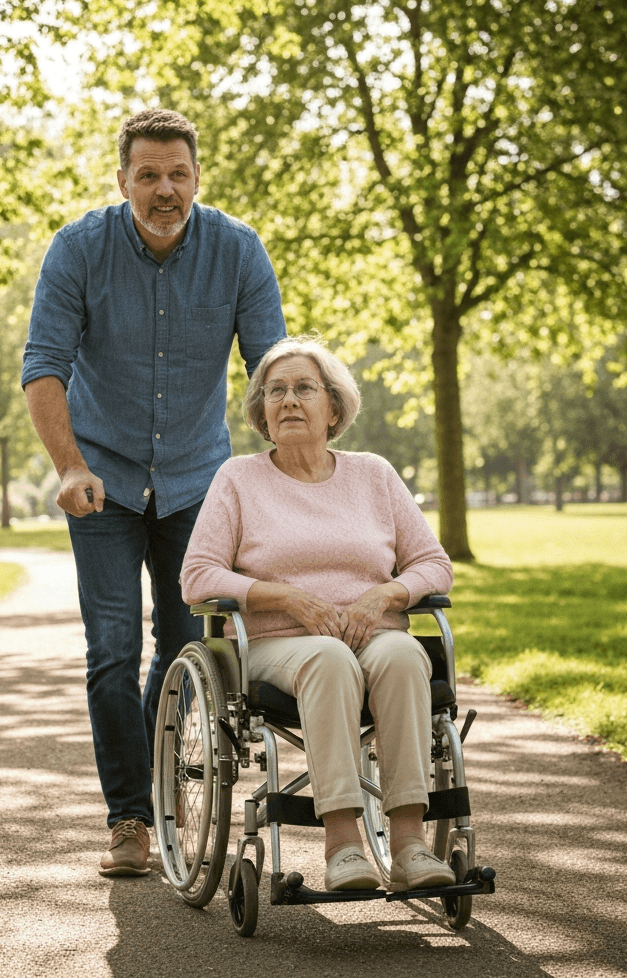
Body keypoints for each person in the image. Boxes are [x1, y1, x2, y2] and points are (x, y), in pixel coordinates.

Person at [22, 109, 287, 877]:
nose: (164, 189)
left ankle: (158, 779)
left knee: (181, 649)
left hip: (198, 483)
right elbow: (45, 365)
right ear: (123, 180)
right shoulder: (78, 249)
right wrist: (70, 465)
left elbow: (268, 369)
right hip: (101, 481)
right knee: (112, 649)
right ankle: (129, 819)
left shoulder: (237, 250)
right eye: (148, 175)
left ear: (197, 177)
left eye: (178, 173)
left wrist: (277, 472)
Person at [180, 334, 457, 892]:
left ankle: (409, 844)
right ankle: (344, 845)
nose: (287, 400)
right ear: (261, 411)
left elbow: (434, 564)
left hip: (372, 631)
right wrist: (283, 596)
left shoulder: (373, 475)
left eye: (303, 388)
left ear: (334, 407)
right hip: (280, 643)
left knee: (405, 654)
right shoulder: (238, 479)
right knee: (329, 659)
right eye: (274, 391)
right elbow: (197, 576)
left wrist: (385, 596)